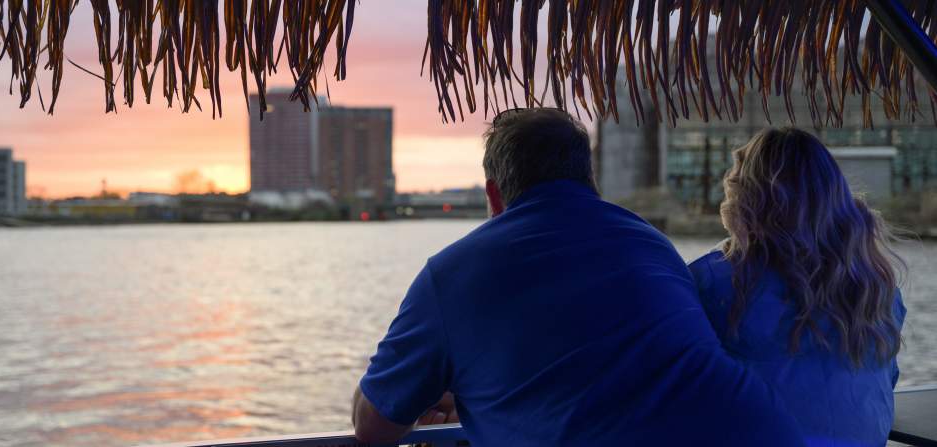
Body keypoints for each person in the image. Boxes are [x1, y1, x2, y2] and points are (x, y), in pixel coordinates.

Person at [352, 109, 804, 446]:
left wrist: (412, 383)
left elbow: (373, 427)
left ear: (494, 193)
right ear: (589, 179)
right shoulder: (650, 243)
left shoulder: (452, 272)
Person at [689, 128, 906, 446]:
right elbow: (886, 381)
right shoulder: (876, 284)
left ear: (743, 196)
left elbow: (679, 384)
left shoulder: (715, 282)